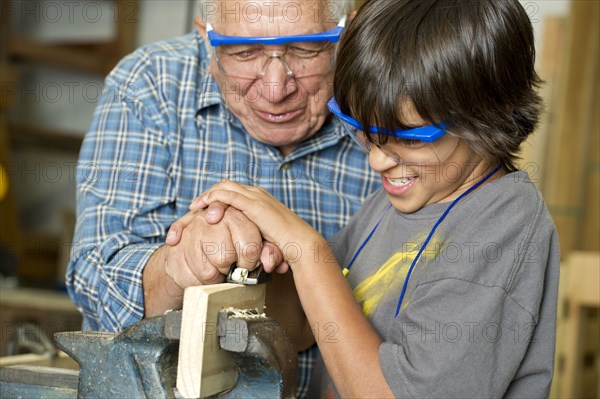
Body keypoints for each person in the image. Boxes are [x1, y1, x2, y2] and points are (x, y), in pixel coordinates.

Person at [192, 0, 561, 397]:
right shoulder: (398, 202)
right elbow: (301, 325)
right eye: (364, 130)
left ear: (489, 116)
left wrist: (303, 245)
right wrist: (250, 246)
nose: (378, 160)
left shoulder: (502, 226)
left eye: (406, 138)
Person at [65, 0, 380, 396]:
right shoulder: (150, 83)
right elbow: (94, 277)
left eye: (305, 49)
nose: (275, 87)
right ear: (207, 39)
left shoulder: (385, 90)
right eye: (245, 53)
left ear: (345, 33)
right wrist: (180, 266)